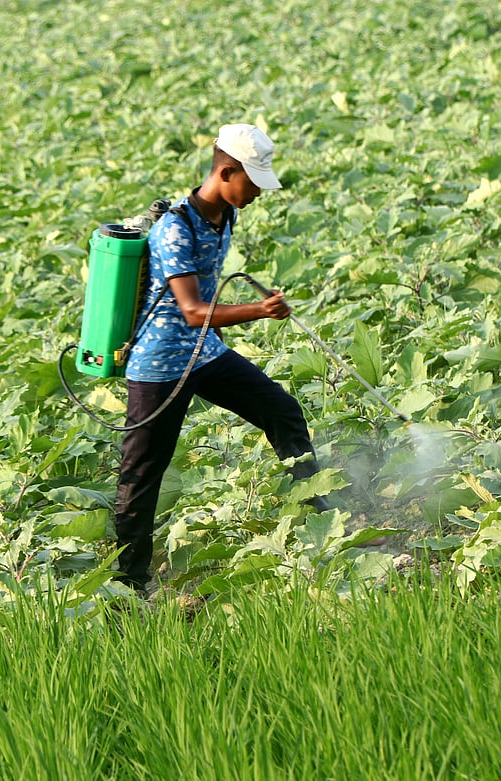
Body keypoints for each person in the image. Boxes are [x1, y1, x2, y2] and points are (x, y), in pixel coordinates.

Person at [112, 123, 327, 591]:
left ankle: (324, 518)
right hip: (160, 363)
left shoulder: (225, 215)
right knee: (143, 472)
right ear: (227, 172)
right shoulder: (174, 227)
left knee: (281, 410)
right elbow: (191, 310)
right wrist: (260, 310)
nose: (256, 194)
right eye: (251, 183)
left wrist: (256, 304)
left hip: (204, 354)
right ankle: (128, 582)